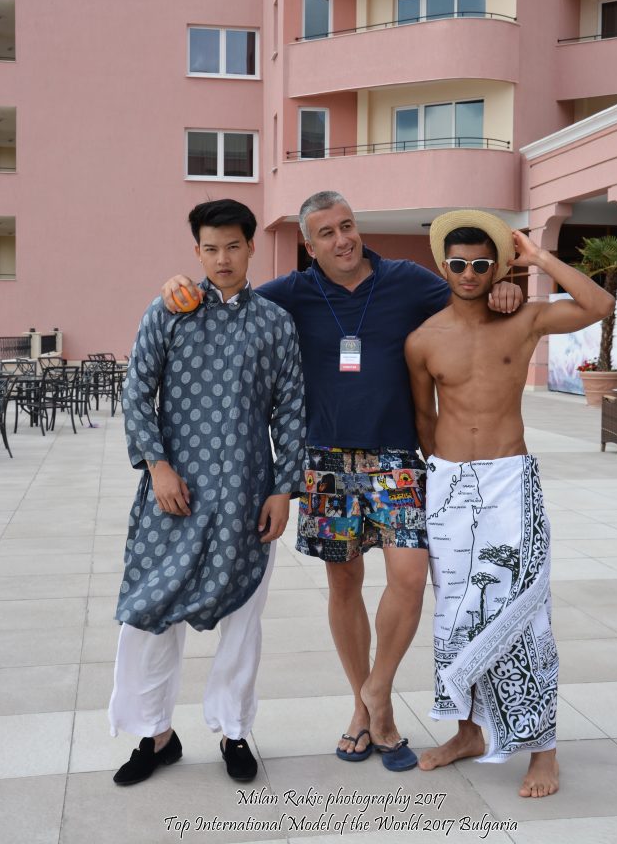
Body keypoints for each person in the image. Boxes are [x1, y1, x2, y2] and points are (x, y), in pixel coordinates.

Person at [161, 191, 523, 772]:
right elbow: (228, 298)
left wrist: (506, 286)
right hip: (326, 462)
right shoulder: (290, 293)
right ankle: (366, 710)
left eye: (347, 225)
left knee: (410, 576)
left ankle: (379, 688)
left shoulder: (407, 280)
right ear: (310, 245)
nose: (342, 239)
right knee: (345, 583)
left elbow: (469, 295)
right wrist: (178, 288)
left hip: (397, 456)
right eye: (327, 233)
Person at [404, 208, 613, 797]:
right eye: (458, 264)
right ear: (443, 267)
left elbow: (599, 305)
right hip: (449, 485)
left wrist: (539, 259)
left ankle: (543, 750)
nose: (469, 274)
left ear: (496, 268)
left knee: (525, 612)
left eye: (480, 265)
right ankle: (468, 732)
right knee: (457, 613)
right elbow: (424, 419)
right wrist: (445, 479)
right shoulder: (422, 340)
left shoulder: (524, 319)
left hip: (509, 481)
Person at [109, 199, 305, 786]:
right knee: (150, 612)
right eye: (211, 248)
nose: (223, 259)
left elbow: (291, 409)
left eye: (233, 247)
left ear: (251, 248)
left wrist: (282, 490)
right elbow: (136, 392)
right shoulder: (169, 311)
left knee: (243, 620)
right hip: (174, 496)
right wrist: (158, 467)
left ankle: (234, 732)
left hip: (247, 498)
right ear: (196, 251)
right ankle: (154, 734)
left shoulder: (274, 324)